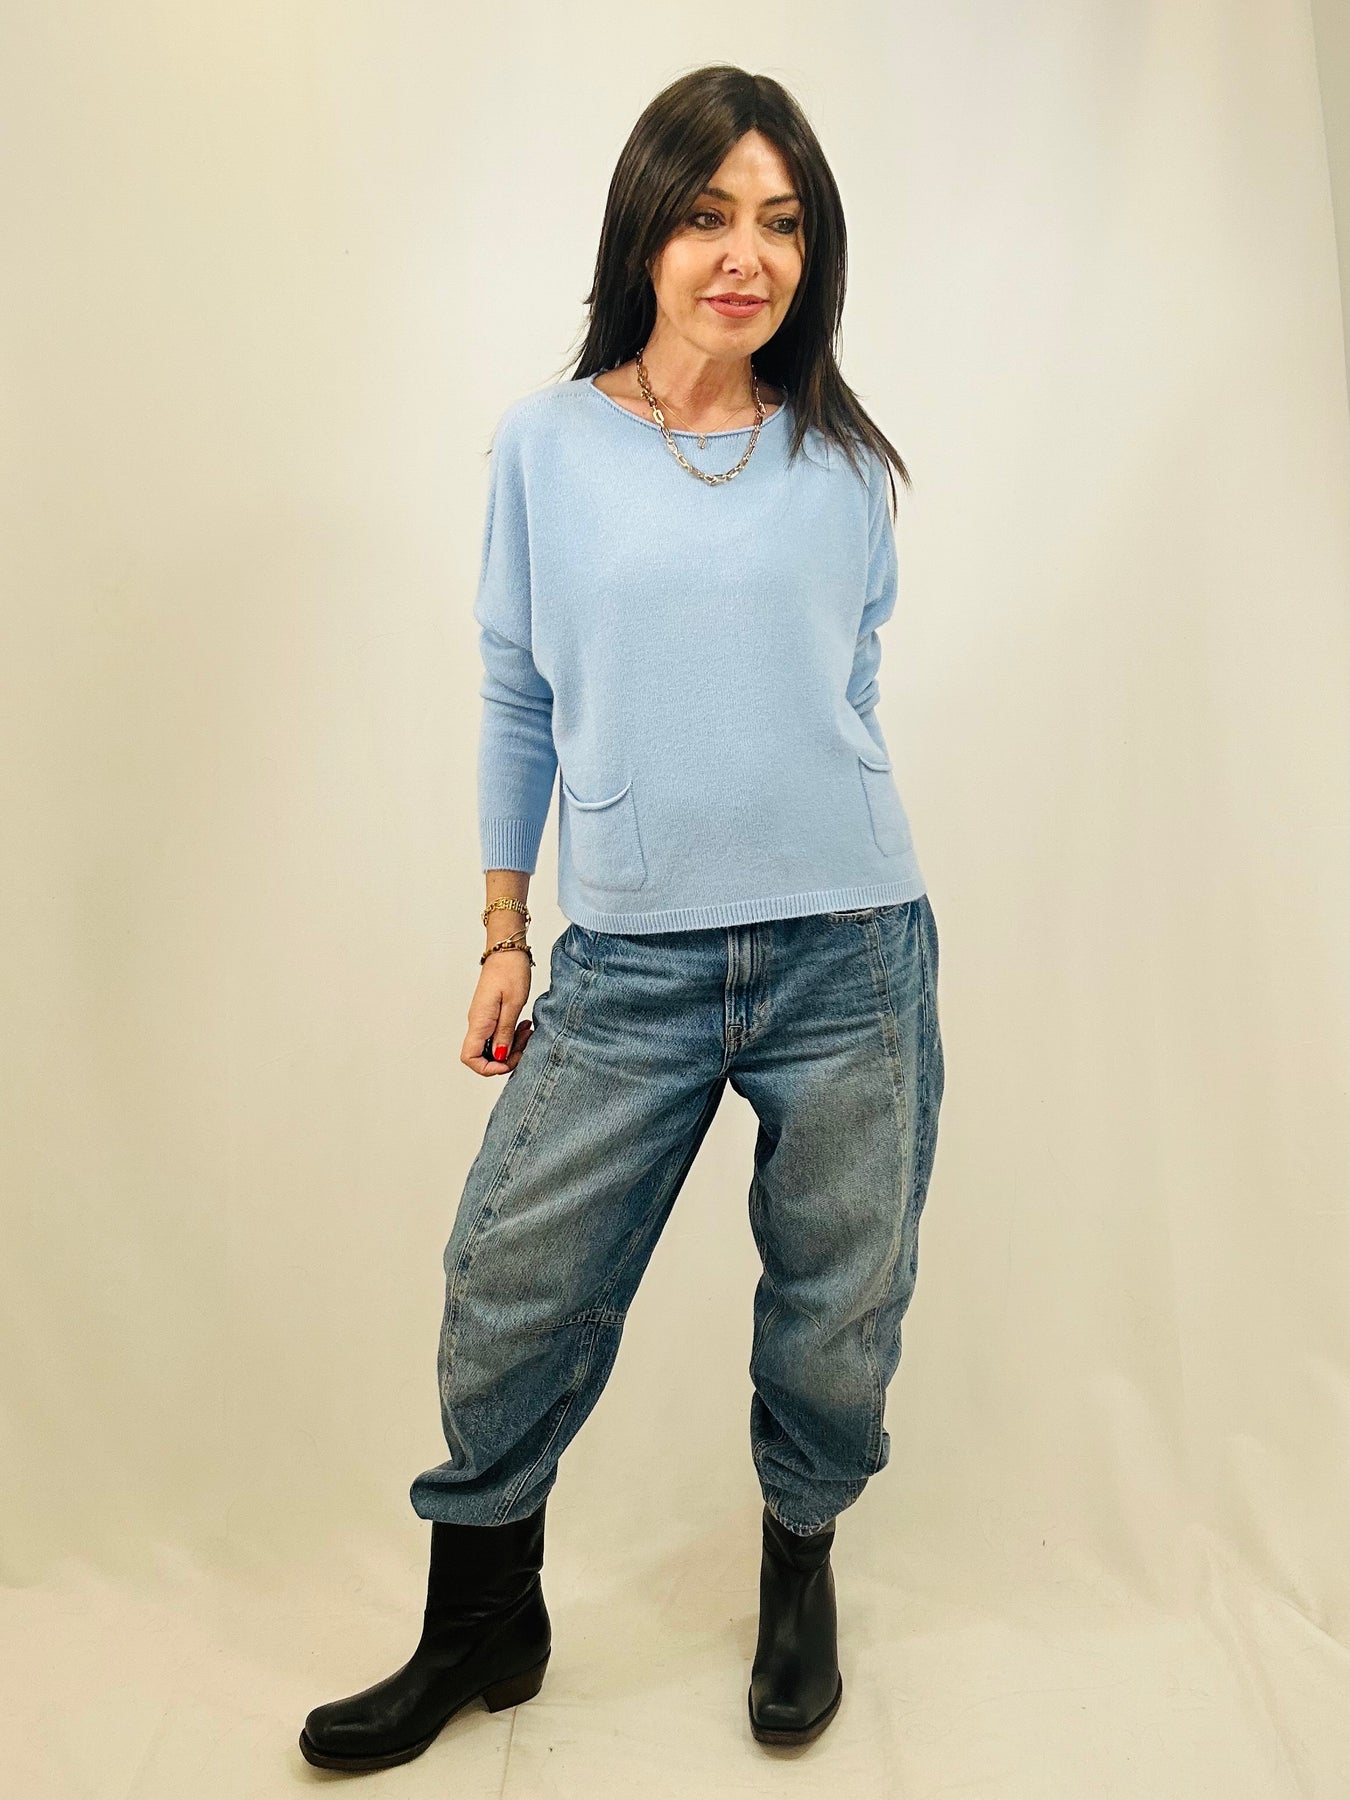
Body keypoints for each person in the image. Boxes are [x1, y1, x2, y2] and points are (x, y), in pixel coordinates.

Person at [299, 62, 945, 1772]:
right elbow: (519, 694)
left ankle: (797, 1574)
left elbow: (846, 687)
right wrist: (505, 932)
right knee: (509, 1274)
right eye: (708, 215)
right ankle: (481, 1619)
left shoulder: (842, 461)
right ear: (644, 229)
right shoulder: (547, 444)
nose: (746, 256)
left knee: (835, 1304)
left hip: (849, 948)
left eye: (782, 223)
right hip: (631, 961)